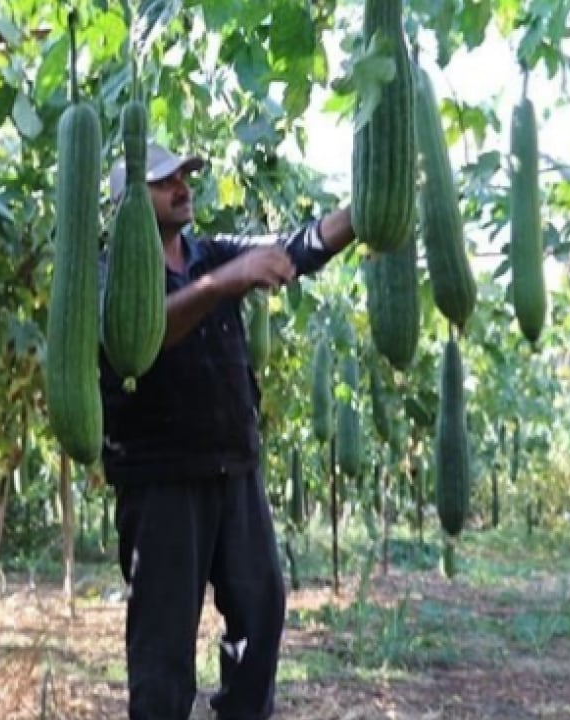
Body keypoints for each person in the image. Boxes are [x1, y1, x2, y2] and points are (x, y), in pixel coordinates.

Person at [98, 142, 357, 720]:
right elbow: (137, 335)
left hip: (234, 466)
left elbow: (295, 247)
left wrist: (361, 212)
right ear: (127, 201)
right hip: (160, 479)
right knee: (163, 644)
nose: (182, 187)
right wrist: (222, 284)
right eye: (165, 181)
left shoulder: (211, 253)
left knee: (261, 613)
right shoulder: (109, 272)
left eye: (184, 177)